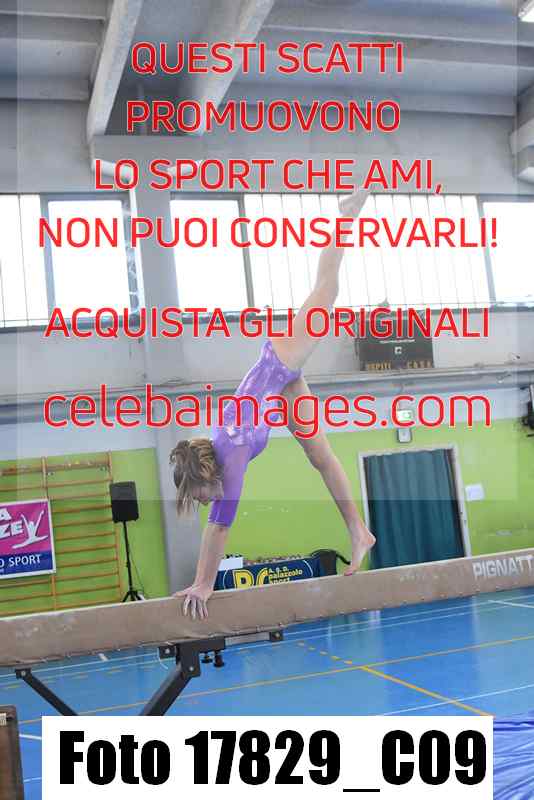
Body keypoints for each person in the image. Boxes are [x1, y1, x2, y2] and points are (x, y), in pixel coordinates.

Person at [171, 189, 375, 619]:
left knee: (327, 288)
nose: (203, 501)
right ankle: (359, 532)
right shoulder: (222, 455)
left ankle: (346, 214)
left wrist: (204, 584)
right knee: (321, 457)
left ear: (205, 476)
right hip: (283, 388)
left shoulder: (232, 455)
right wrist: (201, 577)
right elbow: (215, 517)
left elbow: (219, 527)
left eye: (198, 494)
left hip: (279, 362)